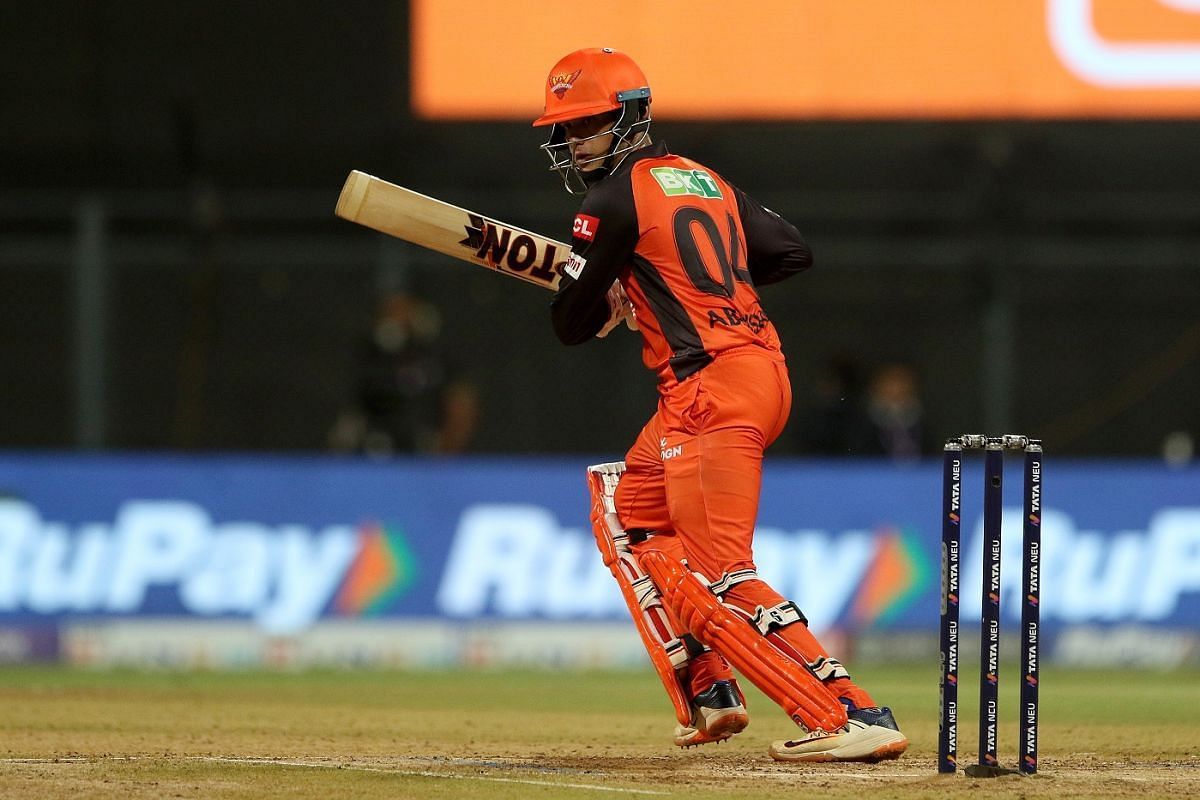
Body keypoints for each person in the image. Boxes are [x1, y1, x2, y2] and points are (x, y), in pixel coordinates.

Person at [533, 48, 908, 762]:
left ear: (631, 117)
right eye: (565, 128)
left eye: (587, 125)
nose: (574, 141)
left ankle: (848, 714)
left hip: (709, 388)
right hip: (753, 371)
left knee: (717, 570)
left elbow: (570, 324)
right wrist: (679, 284)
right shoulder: (702, 179)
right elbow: (791, 251)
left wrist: (613, 288)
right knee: (629, 511)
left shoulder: (610, 200)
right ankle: (709, 685)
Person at [328, 292, 478, 456]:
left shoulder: (436, 357)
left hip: (425, 450)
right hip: (378, 449)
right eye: (389, 313)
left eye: (403, 312)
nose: (396, 319)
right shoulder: (371, 358)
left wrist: (447, 449)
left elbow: (461, 404)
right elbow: (353, 411)